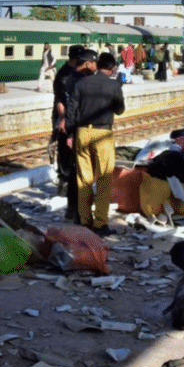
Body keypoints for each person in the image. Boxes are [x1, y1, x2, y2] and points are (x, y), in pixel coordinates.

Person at [67, 51, 125, 235]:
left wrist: (70, 134)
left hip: (82, 132)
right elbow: (120, 110)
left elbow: (71, 110)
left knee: (84, 179)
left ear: (98, 65)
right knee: (104, 179)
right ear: (112, 68)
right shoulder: (114, 84)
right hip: (102, 135)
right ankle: (100, 224)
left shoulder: (81, 83)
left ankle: (85, 221)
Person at [53, 45, 87, 220]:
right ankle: (65, 186)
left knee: (72, 160)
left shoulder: (73, 74)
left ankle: (71, 194)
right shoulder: (65, 76)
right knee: (67, 157)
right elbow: (61, 101)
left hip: (69, 119)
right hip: (64, 120)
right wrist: (64, 119)